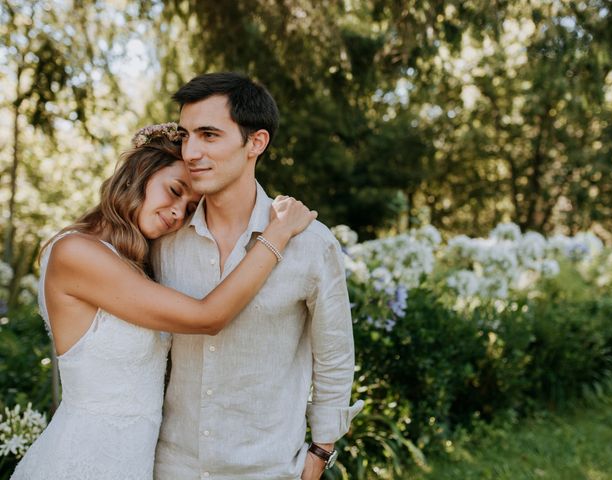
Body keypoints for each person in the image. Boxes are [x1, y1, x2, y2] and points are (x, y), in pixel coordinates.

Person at [10, 123, 316, 480]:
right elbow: (208, 317)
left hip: (134, 466)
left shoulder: (134, 264)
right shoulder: (76, 252)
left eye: (189, 209)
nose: (177, 213)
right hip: (80, 462)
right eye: (174, 191)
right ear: (139, 173)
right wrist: (275, 235)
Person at [153, 72, 363, 480]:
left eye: (209, 135)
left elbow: (335, 356)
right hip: (172, 466)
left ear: (256, 142)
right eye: (186, 135)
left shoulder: (311, 244)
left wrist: (320, 453)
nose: (191, 151)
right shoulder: (166, 238)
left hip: (269, 468)